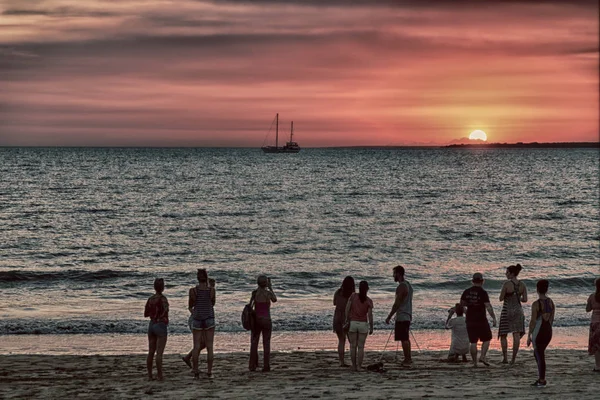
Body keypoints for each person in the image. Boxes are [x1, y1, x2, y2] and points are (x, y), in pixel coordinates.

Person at [460, 272, 497, 367]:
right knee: (487, 338)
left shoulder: (466, 291)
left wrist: (466, 312)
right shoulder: (483, 293)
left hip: (470, 319)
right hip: (481, 319)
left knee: (473, 342)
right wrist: (493, 317)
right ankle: (482, 356)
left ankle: (475, 363)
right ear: (482, 281)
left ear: (472, 281)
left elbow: (462, 305)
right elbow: (488, 306)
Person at [188, 269, 216, 379]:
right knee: (210, 346)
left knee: (196, 346)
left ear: (197, 278)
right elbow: (212, 303)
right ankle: (209, 371)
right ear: (206, 278)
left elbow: (190, 305)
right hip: (209, 318)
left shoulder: (193, 291)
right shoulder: (212, 290)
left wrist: (195, 312)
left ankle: (195, 370)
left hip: (197, 319)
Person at [527, 279, 555, 387]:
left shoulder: (536, 304)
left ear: (537, 289)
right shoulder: (551, 302)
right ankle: (541, 377)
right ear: (547, 289)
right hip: (548, 330)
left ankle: (542, 379)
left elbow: (533, 321)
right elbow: (552, 318)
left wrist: (529, 335)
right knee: (538, 353)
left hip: (539, 331)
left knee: (539, 355)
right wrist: (548, 329)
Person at [498, 264, 527, 364]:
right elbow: (525, 299)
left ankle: (505, 358)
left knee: (503, 334)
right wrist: (518, 297)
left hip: (507, 310)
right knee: (516, 335)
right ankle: (513, 359)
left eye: (507, 272)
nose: (506, 274)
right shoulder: (522, 285)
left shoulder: (506, 284)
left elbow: (501, 298)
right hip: (518, 311)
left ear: (512, 274)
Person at [385, 265, 413, 366]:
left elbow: (397, 303)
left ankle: (407, 359)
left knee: (404, 338)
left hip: (402, 315)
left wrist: (389, 316)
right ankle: (408, 358)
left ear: (399, 274)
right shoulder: (408, 285)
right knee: (405, 338)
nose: (393, 276)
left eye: (394, 273)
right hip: (407, 314)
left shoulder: (401, 286)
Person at [181, 278, 213, 369]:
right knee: (201, 343)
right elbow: (190, 307)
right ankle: (190, 360)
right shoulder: (199, 293)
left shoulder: (207, 294)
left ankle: (189, 358)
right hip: (196, 320)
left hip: (201, 320)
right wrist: (196, 314)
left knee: (203, 343)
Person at [249, 275, 277, 372]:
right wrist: (271, 287)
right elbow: (275, 299)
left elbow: (250, 305)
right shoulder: (268, 293)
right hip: (266, 320)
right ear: (266, 283)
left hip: (257, 320)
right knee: (266, 343)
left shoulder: (255, 293)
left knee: (254, 343)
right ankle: (266, 366)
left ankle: (252, 365)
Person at [344, 280, 373, 371]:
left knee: (353, 345)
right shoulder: (369, 301)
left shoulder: (353, 296)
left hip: (353, 323)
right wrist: (371, 326)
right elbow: (370, 315)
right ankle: (359, 366)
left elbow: (347, 308)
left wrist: (346, 319)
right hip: (363, 324)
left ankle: (353, 366)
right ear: (367, 289)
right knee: (361, 347)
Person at [144, 278, 169, 381]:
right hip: (160, 325)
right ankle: (160, 375)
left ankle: (150, 375)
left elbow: (146, 314)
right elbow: (166, 311)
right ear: (163, 288)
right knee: (159, 353)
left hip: (152, 324)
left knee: (151, 351)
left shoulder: (150, 299)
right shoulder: (163, 299)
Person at [333, 276, 355, 367]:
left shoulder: (338, 292)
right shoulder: (352, 295)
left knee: (341, 340)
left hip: (337, 316)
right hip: (347, 317)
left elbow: (334, 303)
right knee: (351, 341)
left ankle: (341, 362)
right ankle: (354, 361)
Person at [586, 277, 600, 372]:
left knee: (596, 346)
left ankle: (598, 366)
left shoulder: (592, 296)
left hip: (595, 322)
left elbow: (587, 309)